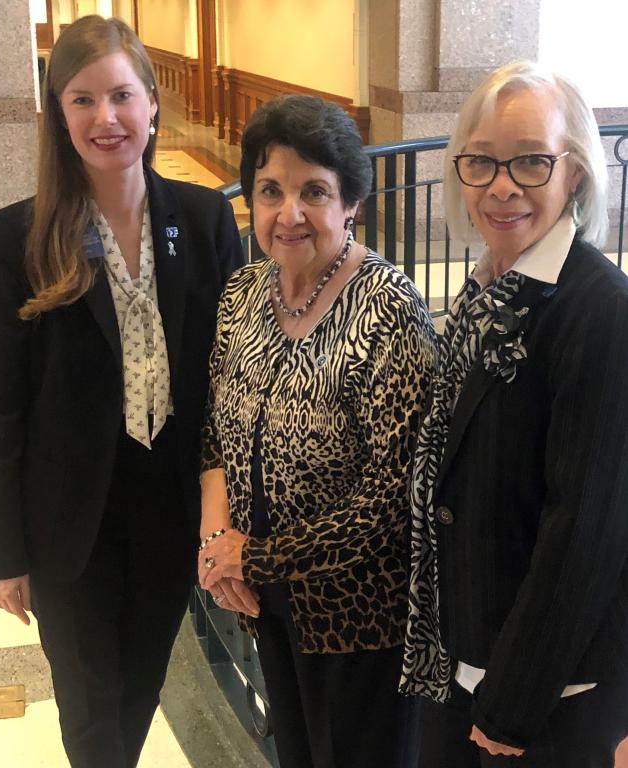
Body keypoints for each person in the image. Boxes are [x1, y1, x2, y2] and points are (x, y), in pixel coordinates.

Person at [0, 16, 243, 768]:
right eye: (82, 100)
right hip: (68, 520)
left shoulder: (201, 222)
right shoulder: (16, 241)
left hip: (169, 507)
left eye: (122, 95)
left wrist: (224, 516)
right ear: (57, 113)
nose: (106, 118)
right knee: (88, 702)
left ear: (153, 104)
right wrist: (3, 550)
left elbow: (230, 378)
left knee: (140, 684)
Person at [400, 60, 628, 767]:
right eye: (482, 162)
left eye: (531, 161)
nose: (502, 185)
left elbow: (582, 534)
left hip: (546, 695)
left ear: (577, 173)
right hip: (462, 664)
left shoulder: (599, 312)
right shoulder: (486, 292)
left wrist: (514, 703)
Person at [198, 94, 437, 768]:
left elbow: (393, 497)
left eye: (314, 191)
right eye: (270, 190)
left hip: (360, 619)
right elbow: (215, 428)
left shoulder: (389, 306)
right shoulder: (244, 293)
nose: (289, 214)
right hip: (268, 605)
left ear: (351, 200)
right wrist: (218, 542)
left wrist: (255, 558)